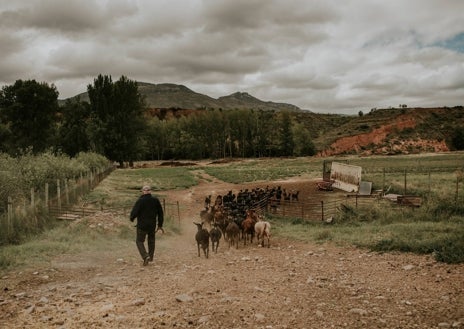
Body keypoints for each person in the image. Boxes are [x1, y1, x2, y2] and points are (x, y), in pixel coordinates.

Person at [130, 185, 164, 266]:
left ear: (143, 191)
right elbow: (160, 213)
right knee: (151, 241)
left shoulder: (140, 201)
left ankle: (145, 256)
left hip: (142, 225)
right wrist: (160, 225)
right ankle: (150, 257)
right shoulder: (155, 200)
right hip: (152, 225)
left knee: (139, 241)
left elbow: (134, 212)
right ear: (150, 191)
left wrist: (132, 218)